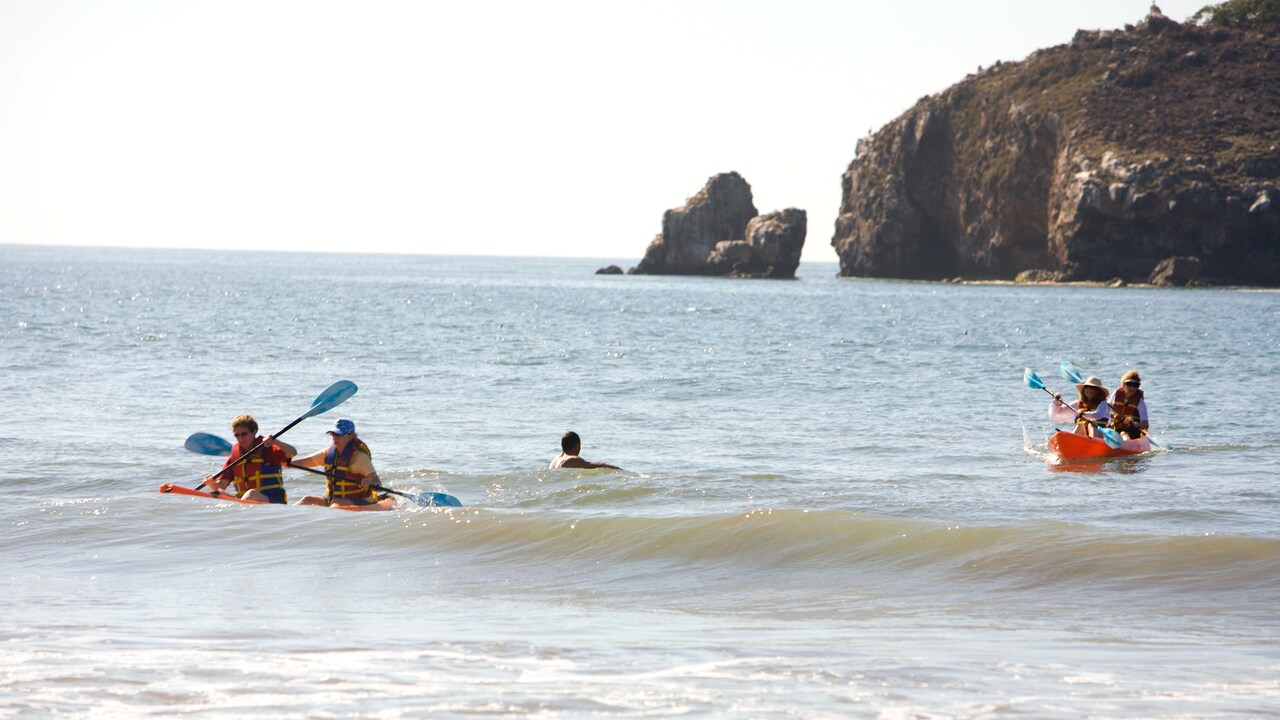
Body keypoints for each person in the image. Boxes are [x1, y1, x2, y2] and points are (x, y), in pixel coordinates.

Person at [292, 418, 394, 509]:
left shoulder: (359, 457)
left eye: (338, 434)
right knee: (307, 500)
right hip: (334, 500)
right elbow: (303, 462)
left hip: (360, 501)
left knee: (336, 504)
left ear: (350, 436)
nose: (334, 437)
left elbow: (377, 482)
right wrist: (284, 461)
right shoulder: (327, 454)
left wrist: (369, 482)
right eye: (333, 434)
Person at [204, 414, 297, 504]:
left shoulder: (268, 450)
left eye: (244, 434)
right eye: (237, 435)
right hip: (246, 502)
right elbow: (221, 486)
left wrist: (275, 441)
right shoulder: (234, 457)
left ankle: (239, 506)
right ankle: (239, 506)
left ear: (254, 431)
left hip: (273, 501)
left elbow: (292, 452)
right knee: (219, 493)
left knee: (251, 494)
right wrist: (212, 484)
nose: (240, 438)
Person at [1108, 369, 1149, 440]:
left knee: (1123, 433)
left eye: (1135, 385)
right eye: (1129, 384)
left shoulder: (1140, 402)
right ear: (1123, 385)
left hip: (1132, 431)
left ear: (1138, 387)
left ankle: (1126, 444)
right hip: (1115, 428)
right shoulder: (1115, 395)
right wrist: (1109, 422)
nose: (1132, 388)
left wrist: (1136, 424)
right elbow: (1106, 409)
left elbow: (1146, 424)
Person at [549, 431, 622, 470]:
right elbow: (593, 465)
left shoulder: (555, 459)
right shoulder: (572, 459)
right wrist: (617, 469)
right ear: (577, 446)